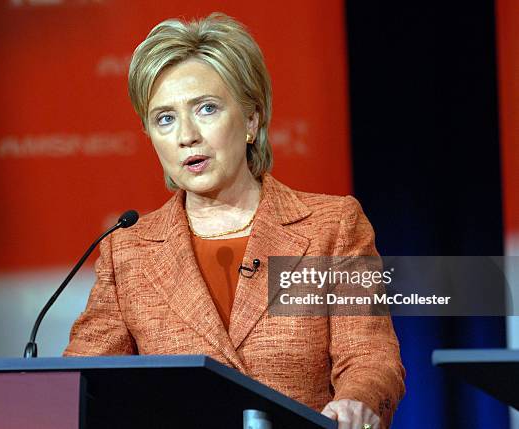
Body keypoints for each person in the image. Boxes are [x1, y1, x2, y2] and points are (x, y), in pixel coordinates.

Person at [64, 13, 405, 429]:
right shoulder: (128, 249)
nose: (186, 134)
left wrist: (357, 401)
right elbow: (84, 380)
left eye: (206, 109)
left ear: (251, 119)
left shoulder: (329, 227)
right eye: (165, 118)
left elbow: (370, 358)